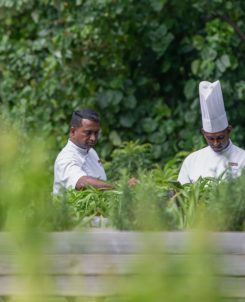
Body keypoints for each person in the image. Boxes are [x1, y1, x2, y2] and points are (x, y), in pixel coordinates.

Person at [53, 108, 138, 194]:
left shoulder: (91, 151)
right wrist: (120, 186)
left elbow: (102, 185)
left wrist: (124, 183)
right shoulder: (65, 158)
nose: (93, 138)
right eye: (88, 133)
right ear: (73, 131)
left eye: (96, 133)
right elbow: (82, 183)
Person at [178, 80, 245, 185]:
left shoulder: (242, 158)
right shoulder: (192, 161)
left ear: (229, 131)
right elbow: (180, 194)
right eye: (210, 138)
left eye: (220, 137)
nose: (216, 143)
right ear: (203, 133)